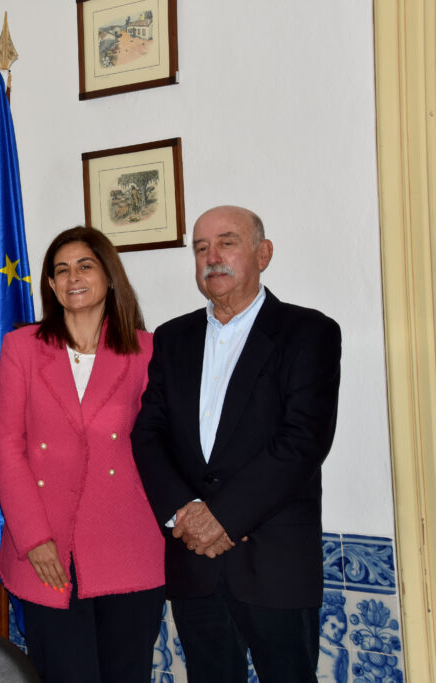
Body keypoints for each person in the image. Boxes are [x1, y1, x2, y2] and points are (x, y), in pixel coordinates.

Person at [131, 206, 341, 682]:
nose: (212, 257)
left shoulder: (309, 332)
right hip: (193, 562)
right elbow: (148, 434)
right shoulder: (172, 337)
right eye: (201, 248)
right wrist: (186, 513)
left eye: (227, 243)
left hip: (274, 563)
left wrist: (224, 517)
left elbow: (303, 441)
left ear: (263, 254)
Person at [0, 226, 165, 682]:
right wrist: (34, 539)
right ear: (50, 285)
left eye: (85, 266)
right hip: (46, 550)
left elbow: (164, 444)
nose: (73, 277)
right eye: (61, 270)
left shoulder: (147, 350)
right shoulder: (22, 347)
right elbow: (7, 447)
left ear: (109, 275)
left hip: (129, 544)